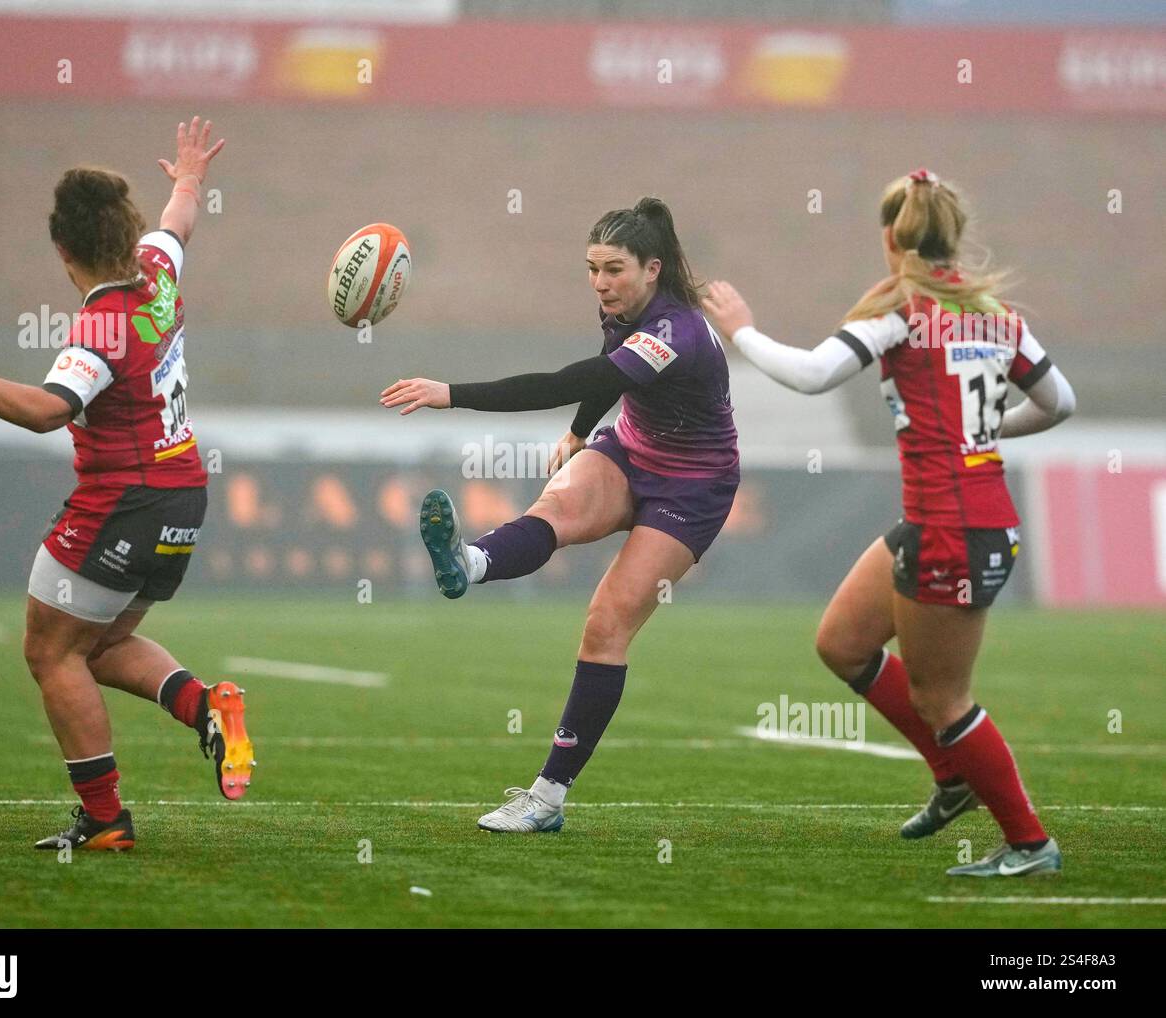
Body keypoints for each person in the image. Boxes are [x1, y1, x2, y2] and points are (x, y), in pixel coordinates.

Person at [702, 169, 1076, 877]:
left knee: (943, 696)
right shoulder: (996, 314)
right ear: (953, 236)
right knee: (843, 644)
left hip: (953, 530)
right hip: (954, 516)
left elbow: (813, 374)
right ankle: (952, 774)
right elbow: (1061, 403)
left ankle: (1030, 843)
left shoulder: (904, 310)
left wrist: (741, 330)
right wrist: (986, 433)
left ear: (891, 238)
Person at [0, 117, 254, 853]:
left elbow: (46, 411)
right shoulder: (158, 270)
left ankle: (104, 820)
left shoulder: (100, 327)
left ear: (62, 249)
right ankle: (208, 707)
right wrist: (189, 175)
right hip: (183, 494)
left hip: (122, 501)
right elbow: (178, 221)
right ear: (129, 234)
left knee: (50, 651)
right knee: (95, 644)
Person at [380, 197, 739, 832]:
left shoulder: (675, 332)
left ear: (652, 269)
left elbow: (565, 379)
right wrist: (579, 434)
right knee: (556, 508)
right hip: (632, 450)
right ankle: (470, 562)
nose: (601, 283)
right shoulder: (624, 310)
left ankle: (547, 799)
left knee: (604, 625)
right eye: (592, 268)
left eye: (615, 269)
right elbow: (607, 382)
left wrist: (452, 395)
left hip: (693, 487)